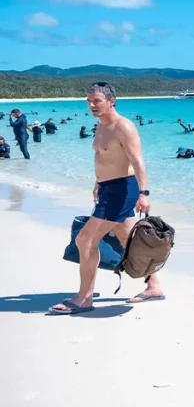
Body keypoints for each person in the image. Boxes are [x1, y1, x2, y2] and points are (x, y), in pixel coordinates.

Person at [49, 82, 161, 314]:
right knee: (129, 240)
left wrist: (143, 193)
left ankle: (85, 298)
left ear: (111, 101)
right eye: (88, 101)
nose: (91, 105)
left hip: (123, 190)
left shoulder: (124, 127)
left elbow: (137, 161)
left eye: (96, 101)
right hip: (108, 189)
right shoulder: (101, 125)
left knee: (85, 240)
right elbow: (104, 158)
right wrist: (98, 183)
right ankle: (154, 286)